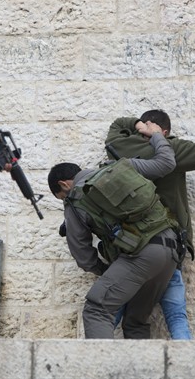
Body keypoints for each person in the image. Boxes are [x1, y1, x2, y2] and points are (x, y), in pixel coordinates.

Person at [105, 100, 195, 339]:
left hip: (127, 247)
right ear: (164, 132)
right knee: (176, 316)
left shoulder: (118, 145)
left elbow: (117, 125)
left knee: (109, 312)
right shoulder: (170, 149)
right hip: (164, 246)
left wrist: (137, 124)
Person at [49, 121, 181, 339]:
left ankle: (103, 372)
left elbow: (83, 256)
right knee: (135, 321)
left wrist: (106, 270)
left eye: (61, 196)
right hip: (171, 249)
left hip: (142, 256)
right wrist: (157, 135)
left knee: (96, 309)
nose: (64, 200)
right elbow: (166, 163)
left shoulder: (74, 200)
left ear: (64, 185)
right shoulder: (121, 166)